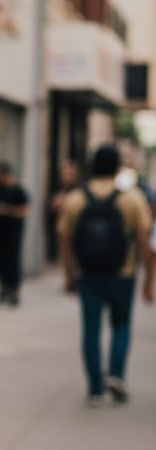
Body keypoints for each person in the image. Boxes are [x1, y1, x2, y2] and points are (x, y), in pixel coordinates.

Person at [59, 144, 154, 406]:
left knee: (91, 330)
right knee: (121, 326)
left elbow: (65, 242)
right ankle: (116, 375)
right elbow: (145, 243)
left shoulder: (77, 198)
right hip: (122, 274)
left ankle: (95, 389)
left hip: (89, 275)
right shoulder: (133, 199)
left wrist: (69, 275)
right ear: (116, 168)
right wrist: (149, 280)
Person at [0, 163, 29, 305]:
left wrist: (5, 210)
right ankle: (4, 287)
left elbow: (24, 210)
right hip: (0, 230)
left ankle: (14, 290)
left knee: (12, 261)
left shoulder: (18, 190)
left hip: (13, 231)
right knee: (0, 260)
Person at [48, 159, 80, 262]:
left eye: (69, 174)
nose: (66, 176)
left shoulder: (79, 191)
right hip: (61, 230)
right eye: (64, 173)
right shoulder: (57, 189)